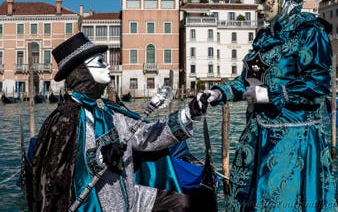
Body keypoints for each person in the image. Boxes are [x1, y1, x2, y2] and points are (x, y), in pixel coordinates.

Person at [197, 0, 338, 211]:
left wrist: (271, 94)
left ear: (284, 0)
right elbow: (247, 82)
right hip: (257, 140)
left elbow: (318, 84)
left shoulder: (311, 34)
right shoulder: (264, 37)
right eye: (259, 0)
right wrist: (218, 93)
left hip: (293, 141)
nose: (261, 7)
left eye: (266, 1)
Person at [31, 32, 208, 212]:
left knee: (183, 203)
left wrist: (188, 114)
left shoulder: (109, 110)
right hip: (94, 204)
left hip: (131, 196)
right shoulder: (64, 120)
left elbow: (145, 136)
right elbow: (62, 170)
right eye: (100, 62)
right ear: (82, 71)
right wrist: (100, 156)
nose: (108, 64)